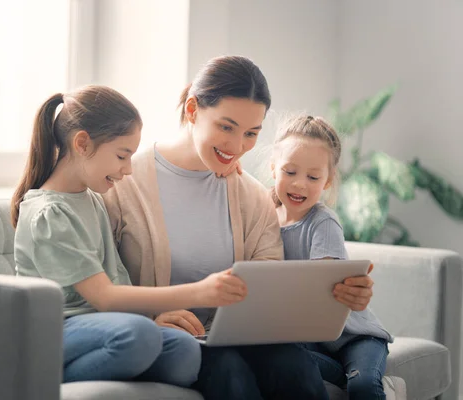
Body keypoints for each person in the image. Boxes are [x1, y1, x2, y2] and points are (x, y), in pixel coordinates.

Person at [103, 55, 378, 399]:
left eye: (251, 134)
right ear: (192, 110)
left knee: (293, 365)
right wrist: (148, 318)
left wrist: (342, 293)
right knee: (229, 373)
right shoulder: (123, 183)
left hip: (236, 337)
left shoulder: (252, 196)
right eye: (226, 127)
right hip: (169, 339)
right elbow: (101, 280)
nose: (236, 148)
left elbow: (268, 280)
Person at [11, 85, 248, 387]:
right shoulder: (50, 214)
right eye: (122, 156)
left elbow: (117, 285)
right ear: (82, 143)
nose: (128, 169)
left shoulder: (91, 198)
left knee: (184, 350)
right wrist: (200, 292)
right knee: (139, 336)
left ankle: (133, 357)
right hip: (56, 331)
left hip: (107, 328)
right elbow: (106, 296)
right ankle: (34, 381)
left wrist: (221, 165)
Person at [269, 114, 393, 400]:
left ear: (327, 181)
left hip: (355, 337)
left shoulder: (323, 222)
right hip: (313, 341)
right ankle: (342, 372)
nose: (300, 184)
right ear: (273, 169)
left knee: (362, 386)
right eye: (289, 172)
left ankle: (354, 374)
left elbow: (321, 296)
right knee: (275, 354)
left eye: (313, 177)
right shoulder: (264, 217)